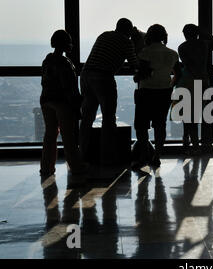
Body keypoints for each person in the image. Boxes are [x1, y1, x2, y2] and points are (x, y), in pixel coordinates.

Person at [79, 18, 140, 166]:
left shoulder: (104, 35)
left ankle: (81, 155)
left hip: (86, 75)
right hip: (104, 77)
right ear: (129, 31)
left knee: (87, 117)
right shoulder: (126, 42)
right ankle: (107, 157)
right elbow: (135, 64)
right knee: (108, 118)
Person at [40, 30, 88, 176]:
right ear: (65, 44)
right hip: (62, 102)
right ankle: (76, 167)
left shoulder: (47, 60)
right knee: (69, 137)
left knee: (50, 134)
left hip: (46, 99)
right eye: (70, 42)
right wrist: (78, 104)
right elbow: (69, 88)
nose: (72, 45)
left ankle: (46, 168)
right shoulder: (65, 63)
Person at [177, 24, 213, 154]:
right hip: (203, 81)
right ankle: (195, 145)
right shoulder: (204, 44)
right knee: (196, 115)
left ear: (184, 34)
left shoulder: (182, 47)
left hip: (187, 82)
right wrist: (204, 32)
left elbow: (187, 64)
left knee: (186, 114)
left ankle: (187, 139)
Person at [133, 24, 180, 167]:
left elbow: (142, 73)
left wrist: (136, 77)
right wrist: (169, 86)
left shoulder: (144, 52)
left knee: (141, 126)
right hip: (164, 92)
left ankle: (143, 157)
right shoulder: (173, 54)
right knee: (160, 126)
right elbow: (179, 74)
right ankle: (157, 156)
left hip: (146, 91)